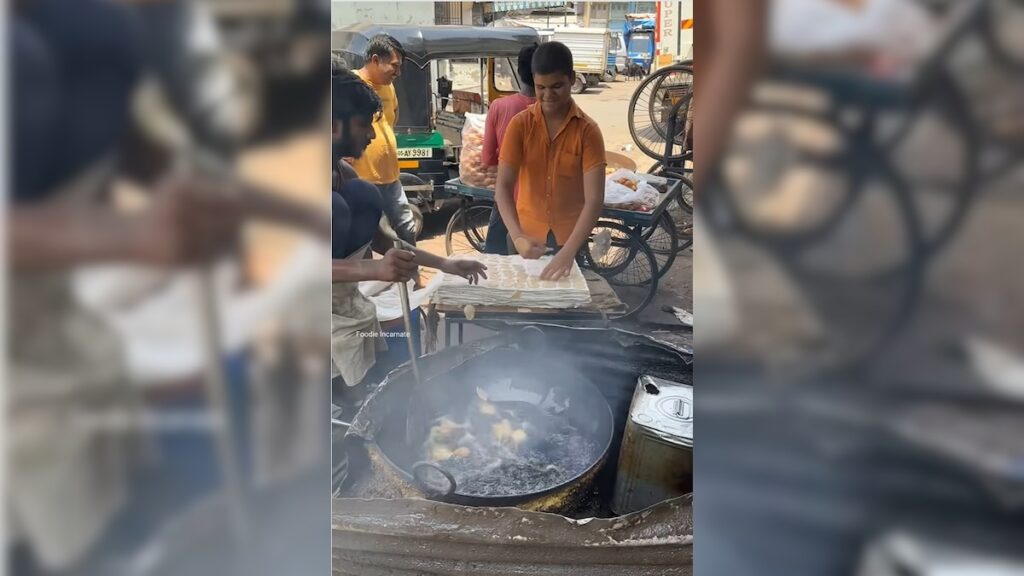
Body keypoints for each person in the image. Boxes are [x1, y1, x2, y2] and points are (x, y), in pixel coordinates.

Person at [331, 57, 487, 392]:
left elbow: (387, 244)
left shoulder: (341, 174)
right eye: (363, 125)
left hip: (345, 306)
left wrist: (445, 263)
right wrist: (374, 272)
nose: (373, 134)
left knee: (364, 193)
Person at [494, 41, 607, 280]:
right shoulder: (520, 126)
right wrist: (517, 237)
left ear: (572, 79)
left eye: (557, 86)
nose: (548, 96)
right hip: (524, 239)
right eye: (540, 87)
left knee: (562, 311)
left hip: (570, 240)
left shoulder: (588, 132)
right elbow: (503, 187)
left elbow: (594, 199)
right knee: (524, 309)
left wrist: (568, 252)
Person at [348, 33, 419, 245]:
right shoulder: (350, 85)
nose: (398, 72)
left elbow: (391, 119)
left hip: (391, 177)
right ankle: (374, 275)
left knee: (407, 227)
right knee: (369, 234)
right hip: (362, 178)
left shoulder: (388, 87)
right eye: (394, 66)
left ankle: (412, 274)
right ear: (375, 59)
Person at [482, 44, 538, 255]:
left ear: (520, 71)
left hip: (508, 197)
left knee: (495, 258)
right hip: (542, 204)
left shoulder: (499, 107)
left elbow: (487, 158)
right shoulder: (555, 111)